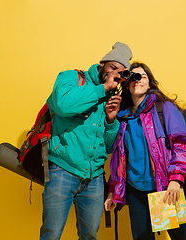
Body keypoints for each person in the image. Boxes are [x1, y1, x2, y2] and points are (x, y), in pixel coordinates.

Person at [40, 42, 133, 240]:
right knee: (51, 234)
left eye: (121, 73)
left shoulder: (113, 96)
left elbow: (108, 148)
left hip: (95, 178)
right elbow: (64, 106)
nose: (115, 75)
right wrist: (103, 88)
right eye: (113, 68)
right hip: (62, 171)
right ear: (102, 64)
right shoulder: (72, 77)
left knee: (89, 236)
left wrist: (110, 120)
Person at [104, 62, 186, 240]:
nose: (137, 80)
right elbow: (119, 159)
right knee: (142, 238)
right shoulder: (122, 116)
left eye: (142, 76)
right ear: (126, 83)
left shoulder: (164, 108)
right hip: (135, 190)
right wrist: (112, 189)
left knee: (181, 237)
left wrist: (176, 179)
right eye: (132, 76)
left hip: (164, 186)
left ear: (149, 83)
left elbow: (184, 145)